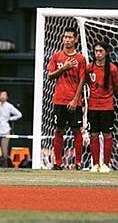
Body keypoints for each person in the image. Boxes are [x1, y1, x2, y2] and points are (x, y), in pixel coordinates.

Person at [47, 28, 87, 170]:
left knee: (77, 130)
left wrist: (76, 99)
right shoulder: (56, 56)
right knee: (59, 130)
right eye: (65, 37)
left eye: (70, 37)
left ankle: (78, 163)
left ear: (75, 39)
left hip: (74, 101)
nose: (67, 39)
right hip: (59, 100)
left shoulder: (81, 59)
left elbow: (82, 80)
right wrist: (64, 67)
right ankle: (57, 162)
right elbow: (50, 76)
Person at [87, 41, 118, 173]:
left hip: (107, 106)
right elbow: (86, 82)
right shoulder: (90, 67)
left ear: (106, 52)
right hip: (93, 106)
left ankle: (106, 164)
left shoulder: (112, 68)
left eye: (101, 51)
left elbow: (117, 87)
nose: (98, 54)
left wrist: (107, 95)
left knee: (107, 134)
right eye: (96, 51)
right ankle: (95, 164)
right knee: (93, 134)